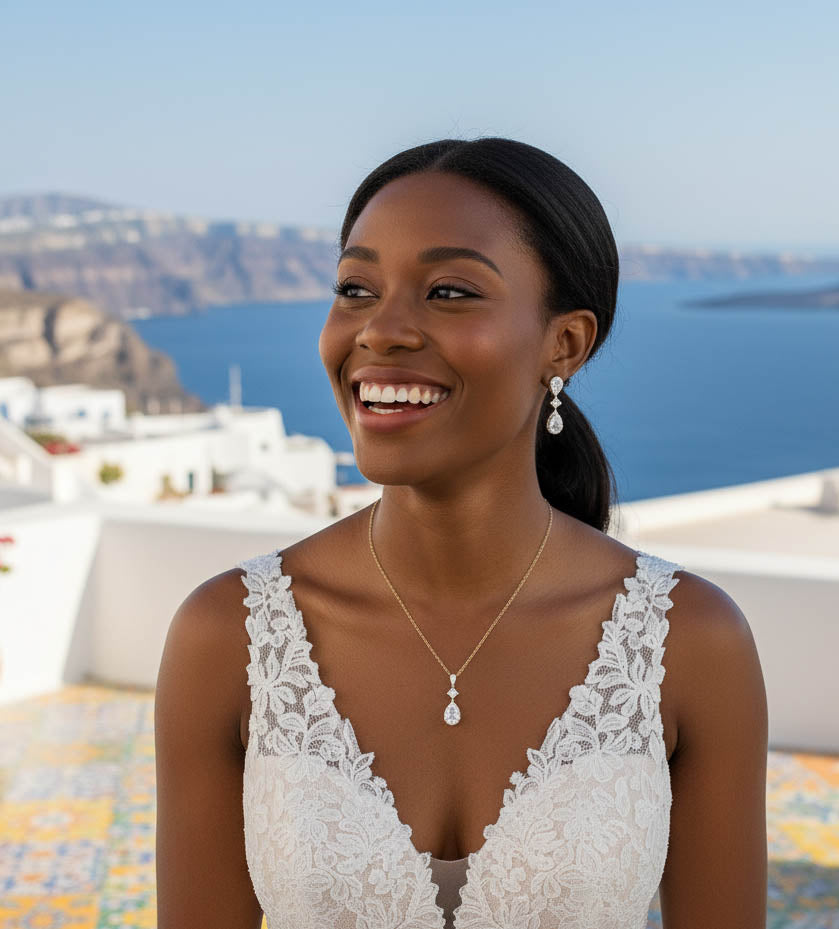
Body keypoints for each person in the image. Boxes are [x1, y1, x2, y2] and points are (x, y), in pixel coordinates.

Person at [154, 137, 769, 928]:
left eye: (448, 291)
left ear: (564, 344)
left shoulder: (691, 641)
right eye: (355, 288)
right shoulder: (228, 635)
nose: (380, 330)